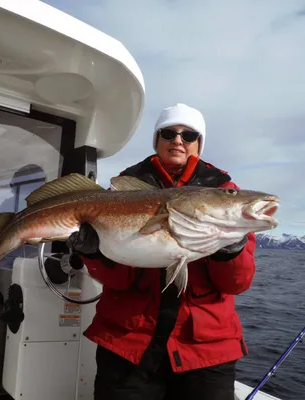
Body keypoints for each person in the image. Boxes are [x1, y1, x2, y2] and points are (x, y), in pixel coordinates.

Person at [67, 103, 256, 400]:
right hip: (128, 343)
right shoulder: (121, 192)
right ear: (156, 140)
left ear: (199, 143)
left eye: (189, 134)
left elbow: (236, 284)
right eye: (168, 133)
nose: (178, 140)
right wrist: (93, 254)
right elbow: (118, 280)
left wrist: (231, 251)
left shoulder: (226, 195)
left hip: (206, 349)